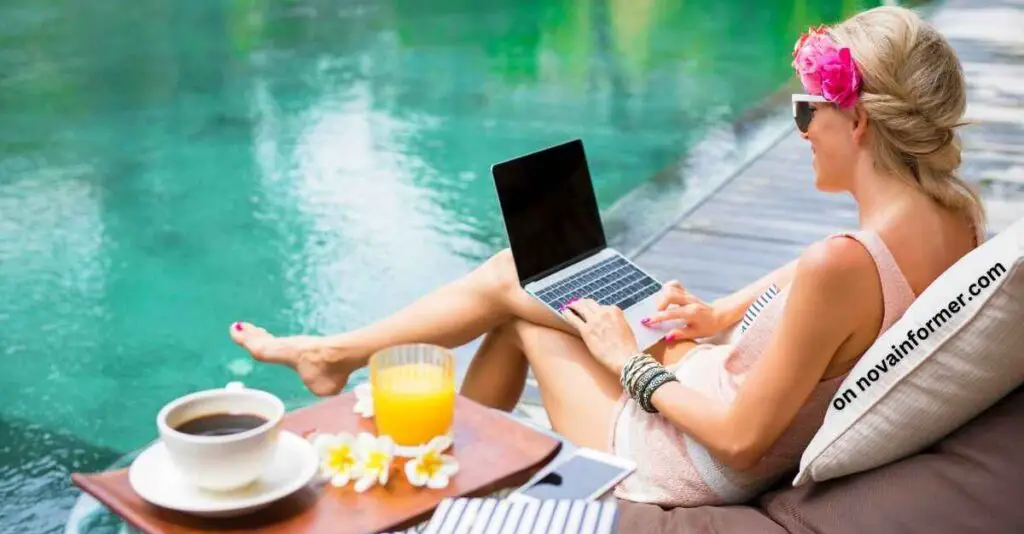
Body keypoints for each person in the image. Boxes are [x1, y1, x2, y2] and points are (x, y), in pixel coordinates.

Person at [229, 6, 987, 507]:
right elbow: (827, 279)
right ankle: (357, 385)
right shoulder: (954, 216)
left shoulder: (840, 264)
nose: (798, 129)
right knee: (530, 279)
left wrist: (631, 362)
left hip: (696, 458)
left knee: (520, 303)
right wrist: (719, 313)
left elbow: (743, 440)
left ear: (854, 122)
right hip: (715, 377)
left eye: (805, 110)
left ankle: (411, 473)